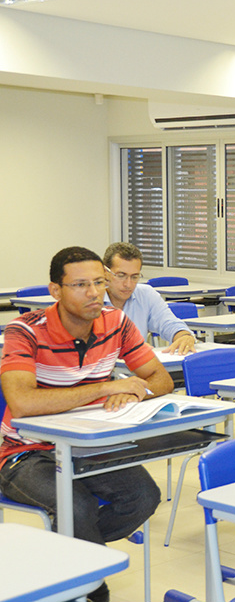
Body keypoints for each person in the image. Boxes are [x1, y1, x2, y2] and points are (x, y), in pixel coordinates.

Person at [0, 247, 173, 602]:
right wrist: (108, 387)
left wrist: (135, 394)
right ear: (55, 290)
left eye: (99, 282)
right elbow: (23, 403)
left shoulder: (116, 323)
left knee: (143, 497)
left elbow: (161, 380)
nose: (94, 293)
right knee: (76, 508)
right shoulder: (25, 331)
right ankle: (92, 587)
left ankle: (67, 556)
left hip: (86, 442)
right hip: (24, 452)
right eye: (80, 285)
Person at [103, 242, 197, 354]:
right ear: (105, 273)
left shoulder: (146, 294)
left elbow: (169, 323)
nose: (128, 284)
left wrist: (184, 335)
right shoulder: (88, 300)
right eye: (121, 276)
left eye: (134, 277)